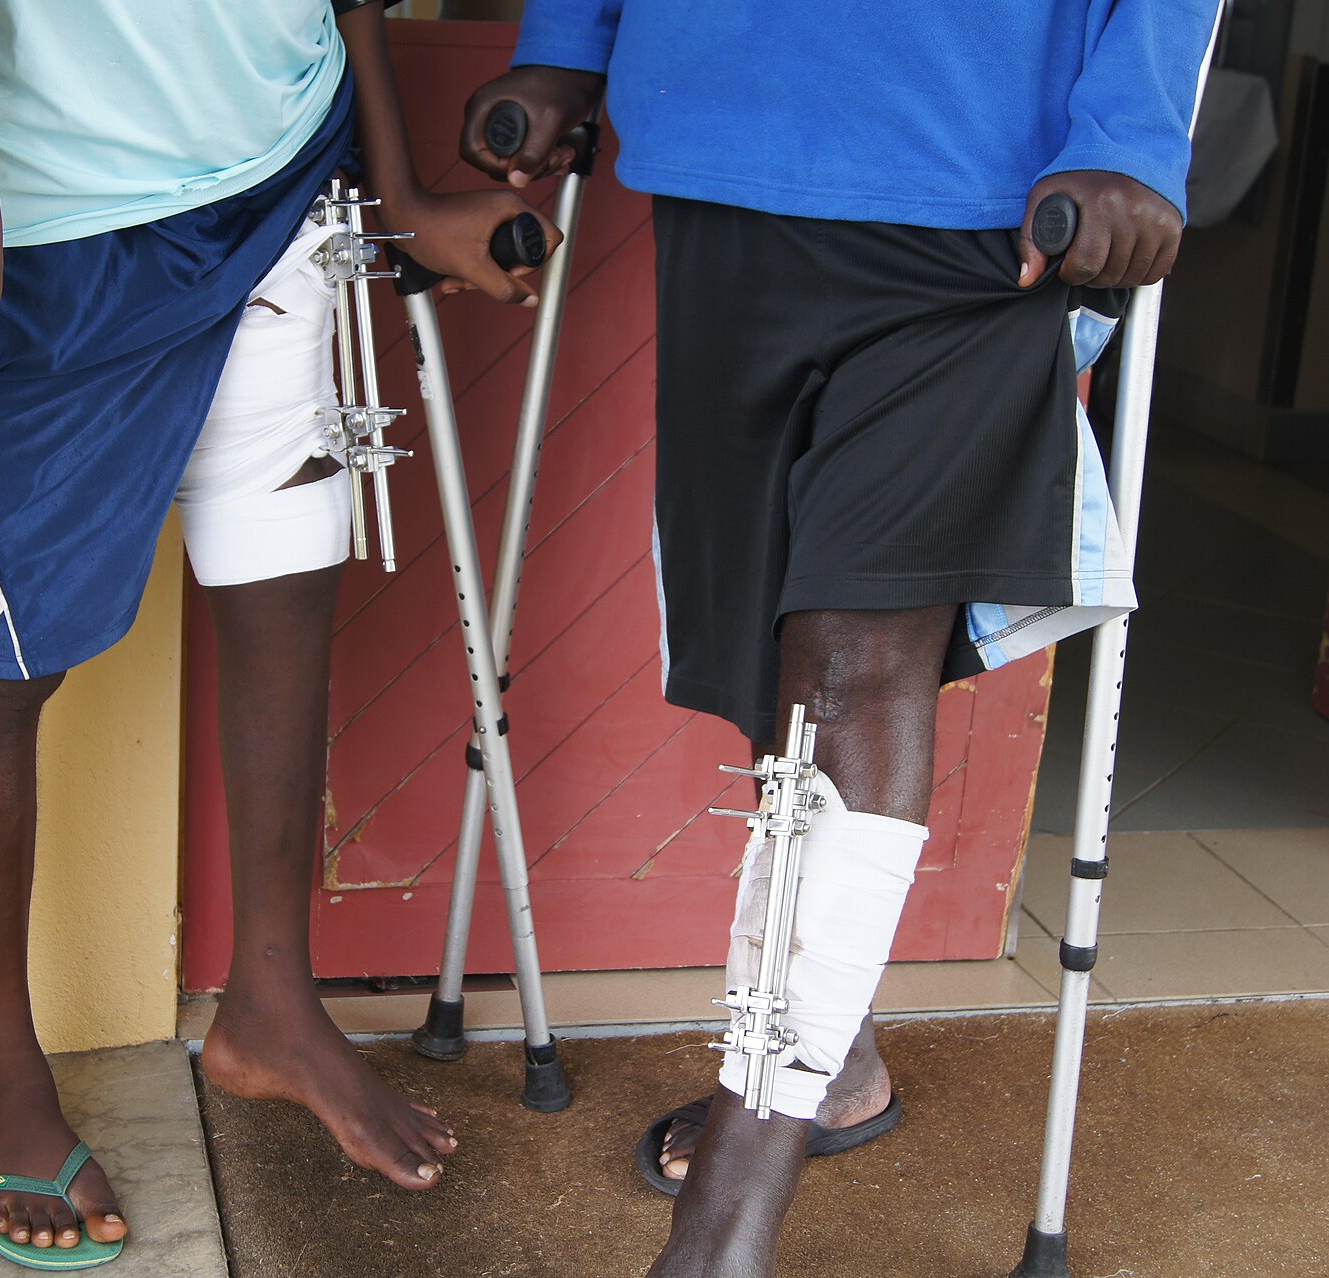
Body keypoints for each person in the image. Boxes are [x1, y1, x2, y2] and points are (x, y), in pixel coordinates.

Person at [458, 3, 1221, 1273]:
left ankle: (729, 1224)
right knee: (781, 669)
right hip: (721, 142)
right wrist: (572, 41)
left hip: (978, 187)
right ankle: (835, 1056)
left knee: (853, 675)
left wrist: (1135, 128)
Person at [0, 0, 554, 1265]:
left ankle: (273, 1001)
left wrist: (394, 195)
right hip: (40, 219)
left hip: (278, 176)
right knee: (4, 659)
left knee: (283, 583)